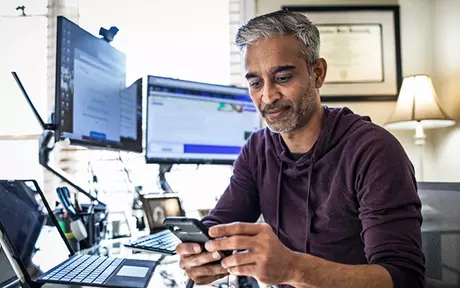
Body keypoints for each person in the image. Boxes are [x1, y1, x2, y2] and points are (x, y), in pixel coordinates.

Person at [176, 10, 425, 288]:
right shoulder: (257, 150)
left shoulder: (373, 151)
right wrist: (201, 256)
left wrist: (294, 268)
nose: (267, 97)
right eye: (255, 83)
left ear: (317, 73)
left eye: (282, 78)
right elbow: (219, 227)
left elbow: (404, 277)